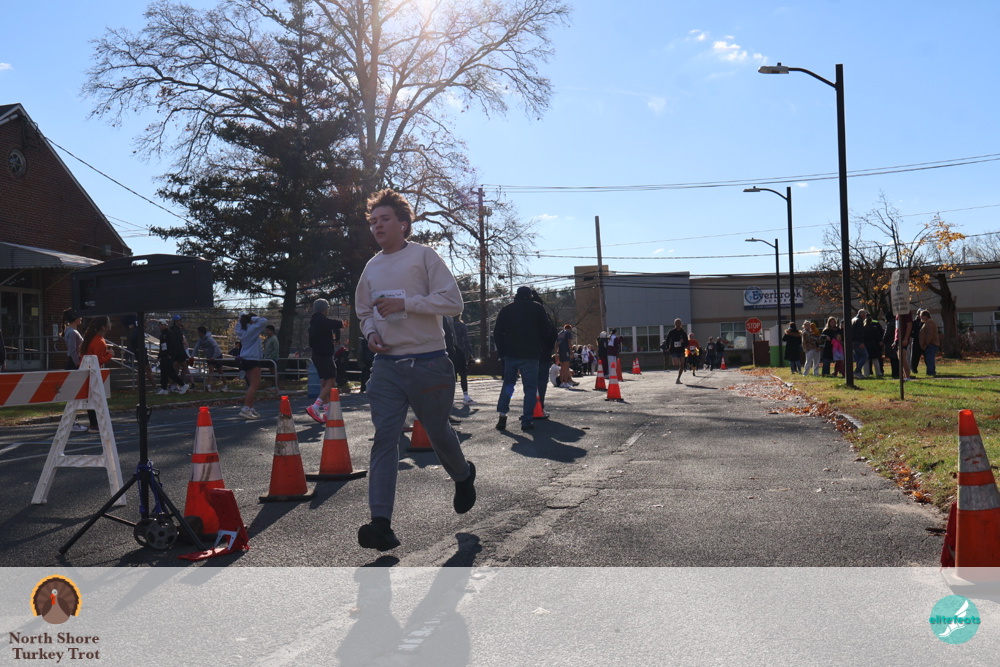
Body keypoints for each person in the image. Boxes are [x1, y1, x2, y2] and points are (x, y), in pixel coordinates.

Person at [355, 188, 475, 552]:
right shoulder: (372, 267)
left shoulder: (424, 256)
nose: (377, 226)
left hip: (429, 362)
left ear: (403, 224)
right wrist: (371, 333)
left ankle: (463, 475)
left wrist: (405, 303)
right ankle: (381, 524)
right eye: (373, 221)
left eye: (385, 219)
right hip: (387, 365)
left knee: (437, 432)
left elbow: (453, 303)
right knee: (385, 438)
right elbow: (363, 311)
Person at [493, 285, 557, 430]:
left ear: (516, 295)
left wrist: (502, 351)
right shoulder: (537, 308)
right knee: (530, 388)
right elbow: (547, 329)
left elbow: (497, 332)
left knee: (508, 385)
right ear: (530, 296)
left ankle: (502, 415)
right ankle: (527, 420)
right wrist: (538, 343)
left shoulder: (507, 309)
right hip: (531, 354)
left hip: (510, 353)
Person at [305, 299, 343, 423]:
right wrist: (336, 337)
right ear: (325, 309)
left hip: (316, 355)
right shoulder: (323, 321)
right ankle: (315, 406)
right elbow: (339, 324)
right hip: (325, 355)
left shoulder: (312, 323)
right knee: (331, 381)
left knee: (324, 382)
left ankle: (327, 412)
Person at [81, 316, 114, 434]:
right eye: (109, 323)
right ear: (103, 327)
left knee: (92, 398)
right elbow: (98, 360)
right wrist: (110, 355)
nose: (111, 324)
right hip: (93, 373)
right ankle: (95, 424)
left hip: (87, 371)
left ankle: (95, 424)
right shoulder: (99, 341)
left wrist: (106, 352)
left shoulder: (93, 339)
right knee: (95, 399)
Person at [62, 309, 90, 432]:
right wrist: (78, 364)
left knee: (73, 394)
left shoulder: (70, 331)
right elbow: (73, 350)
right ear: (75, 318)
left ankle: (71, 421)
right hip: (74, 364)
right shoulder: (72, 332)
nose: (81, 318)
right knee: (73, 395)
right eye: (79, 316)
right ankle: (72, 423)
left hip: (73, 363)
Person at [236, 312, 268, 419]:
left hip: (245, 358)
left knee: (251, 385)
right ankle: (245, 408)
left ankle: (250, 407)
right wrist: (253, 319)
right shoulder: (252, 329)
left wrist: (243, 317)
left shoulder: (241, 330)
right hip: (253, 359)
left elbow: (239, 323)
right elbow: (263, 321)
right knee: (255, 385)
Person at [155, 319, 188, 395]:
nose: (160, 326)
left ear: (165, 325)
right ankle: (164, 388)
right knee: (163, 373)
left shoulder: (169, 333)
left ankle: (183, 385)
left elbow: (173, 345)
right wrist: (159, 356)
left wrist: (170, 355)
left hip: (168, 356)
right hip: (164, 356)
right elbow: (162, 347)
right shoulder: (162, 334)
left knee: (171, 372)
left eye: (161, 325)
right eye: (159, 325)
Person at [193, 326, 225, 391]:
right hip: (209, 356)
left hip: (217, 355)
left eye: (198, 332)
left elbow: (216, 347)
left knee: (220, 371)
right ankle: (209, 385)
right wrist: (192, 356)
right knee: (211, 370)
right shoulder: (200, 339)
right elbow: (196, 347)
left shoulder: (209, 339)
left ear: (201, 332)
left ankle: (225, 385)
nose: (198, 333)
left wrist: (214, 357)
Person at [453, 315, 474, 404]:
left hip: (450, 352)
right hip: (461, 352)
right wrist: (470, 352)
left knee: (452, 375)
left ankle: (451, 397)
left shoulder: (447, 325)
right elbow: (466, 340)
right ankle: (466, 395)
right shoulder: (461, 325)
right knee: (463, 374)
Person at [664, 319, 687, 384]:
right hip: (674, 350)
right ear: (675, 324)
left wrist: (683, 341)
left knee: (682, 364)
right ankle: (676, 362)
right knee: (676, 364)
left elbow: (687, 342)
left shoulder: (683, 332)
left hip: (681, 350)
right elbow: (667, 340)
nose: (678, 324)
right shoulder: (671, 332)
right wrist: (667, 347)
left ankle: (678, 378)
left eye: (679, 323)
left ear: (681, 324)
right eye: (677, 323)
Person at [918, 310, 940, 376]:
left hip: (931, 344)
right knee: (928, 358)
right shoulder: (927, 322)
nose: (920, 317)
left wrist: (927, 343)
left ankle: (931, 372)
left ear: (926, 316)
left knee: (929, 358)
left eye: (921, 316)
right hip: (930, 344)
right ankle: (930, 371)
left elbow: (930, 334)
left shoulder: (930, 322)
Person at [863, 312, 885, 378]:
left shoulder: (863, 328)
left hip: (866, 345)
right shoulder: (875, 328)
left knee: (866, 361)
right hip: (873, 345)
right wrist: (880, 342)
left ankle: (866, 374)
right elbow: (878, 336)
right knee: (875, 360)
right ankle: (878, 373)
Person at [849, 309, 869, 378]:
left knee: (858, 357)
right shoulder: (859, 321)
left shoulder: (853, 319)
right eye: (865, 315)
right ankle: (857, 371)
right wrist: (861, 342)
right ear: (862, 315)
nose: (865, 317)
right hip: (858, 341)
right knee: (865, 355)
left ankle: (858, 373)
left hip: (853, 342)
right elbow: (859, 333)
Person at [895, 309, 914, 381]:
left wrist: (906, 338)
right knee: (900, 358)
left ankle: (907, 376)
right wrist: (895, 340)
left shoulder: (906, 312)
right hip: (898, 338)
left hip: (903, 338)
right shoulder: (897, 314)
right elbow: (896, 328)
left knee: (902, 357)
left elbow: (909, 325)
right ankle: (903, 376)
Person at [882, 311, 899, 379]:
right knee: (897, 359)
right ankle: (898, 372)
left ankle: (894, 373)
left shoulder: (889, 324)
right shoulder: (897, 322)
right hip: (897, 342)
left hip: (890, 343)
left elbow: (886, 334)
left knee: (893, 360)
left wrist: (883, 341)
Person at [910, 309, 924, 375]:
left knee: (926, 356)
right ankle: (914, 369)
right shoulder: (914, 322)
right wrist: (914, 335)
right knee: (915, 356)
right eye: (919, 314)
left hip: (923, 341)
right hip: (916, 341)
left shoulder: (924, 322)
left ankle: (930, 369)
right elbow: (910, 331)